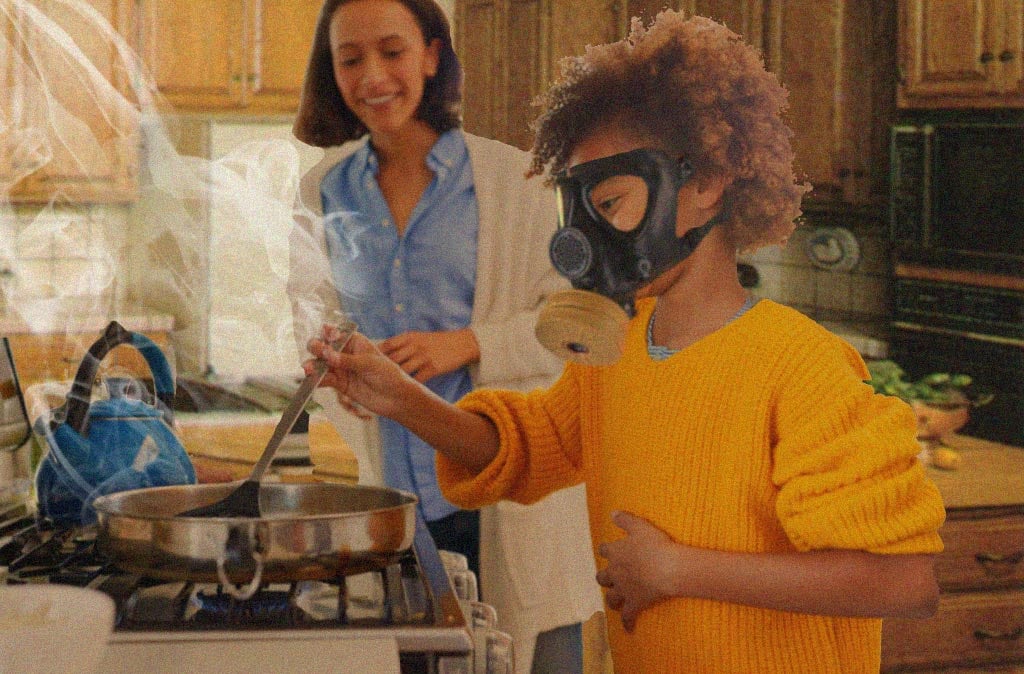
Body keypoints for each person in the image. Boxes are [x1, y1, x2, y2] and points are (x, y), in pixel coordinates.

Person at [304, 10, 947, 674]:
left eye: (609, 206)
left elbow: (903, 581)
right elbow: (521, 450)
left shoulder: (801, 367)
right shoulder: (617, 354)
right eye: (579, 213)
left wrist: (679, 570)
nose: (588, 239)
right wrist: (400, 398)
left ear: (703, 182)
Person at [287, 0, 603, 671]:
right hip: (395, 507)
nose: (373, 75)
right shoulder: (320, 192)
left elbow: (580, 322)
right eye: (350, 59)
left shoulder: (521, 180)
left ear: (431, 55)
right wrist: (330, 361)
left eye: (392, 50)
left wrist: (473, 342)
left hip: (510, 502)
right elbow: (310, 314)